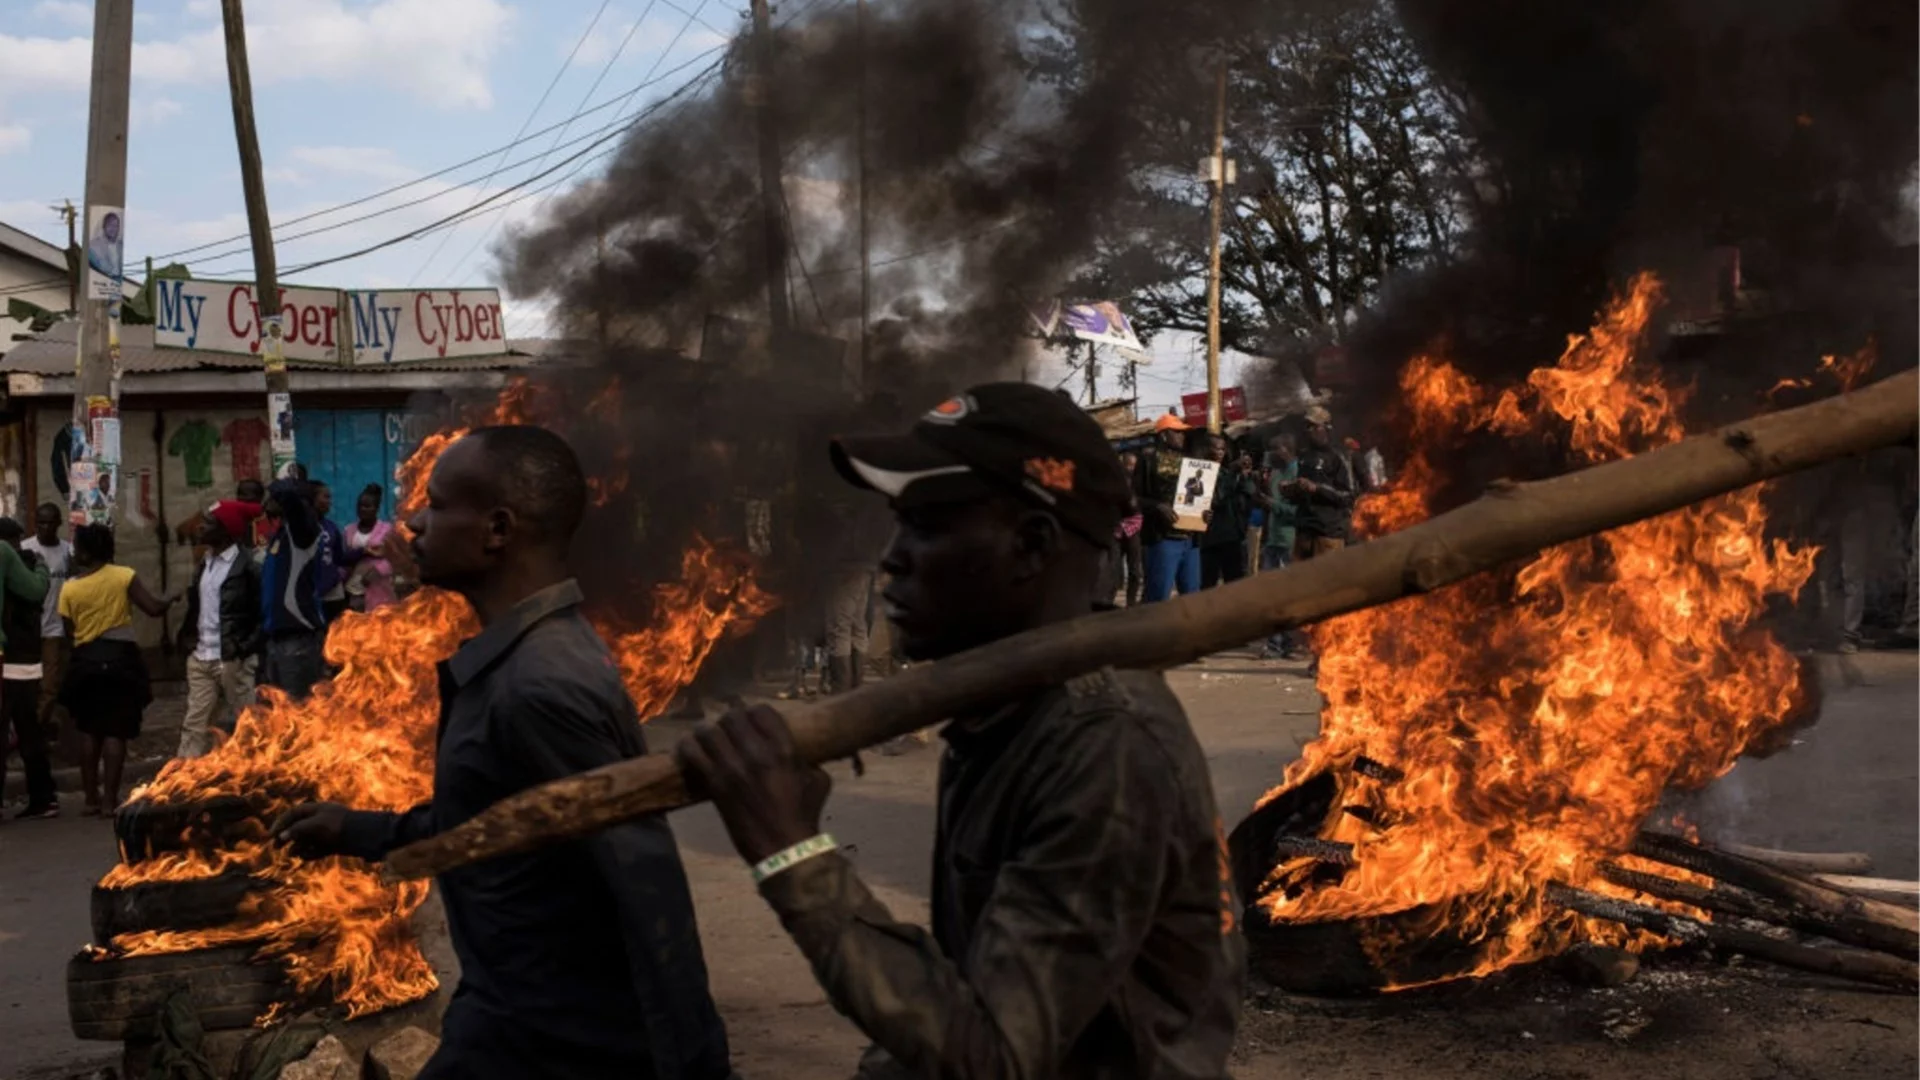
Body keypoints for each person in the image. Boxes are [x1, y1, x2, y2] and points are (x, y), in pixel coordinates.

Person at [678, 383, 1244, 1079]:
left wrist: (790, 855)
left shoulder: (1103, 742)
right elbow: (969, 984)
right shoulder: (1007, 708)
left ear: (1032, 545)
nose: (894, 559)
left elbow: (996, 1056)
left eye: (926, 524)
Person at [273, 425, 732, 1080]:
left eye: (435, 505)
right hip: (504, 1026)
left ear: (496, 530)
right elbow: (494, 822)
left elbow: (649, 892)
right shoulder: (528, 660)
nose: (415, 524)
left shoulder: (539, 687)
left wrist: (699, 1069)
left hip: (553, 1044)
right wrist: (354, 829)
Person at [60, 524, 171, 815]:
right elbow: (153, 608)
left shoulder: (70, 588)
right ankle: (110, 800)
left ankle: (90, 799)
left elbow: (68, 631)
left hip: (85, 662)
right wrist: (171, 598)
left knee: (89, 730)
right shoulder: (124, 576)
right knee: (115, 732)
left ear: (83, 551)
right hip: (122, 662)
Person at [176, 502, 264, 759]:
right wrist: (188, 639)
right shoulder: (205, 561)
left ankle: (255, 777)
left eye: (209, 523)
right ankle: (184, 780)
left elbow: (263, 614)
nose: (201, 527)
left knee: (247, 725)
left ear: (225, 531)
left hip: (232, 658)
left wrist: (243, 649)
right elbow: (198, 608)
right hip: (202, 656)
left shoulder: (249, 566)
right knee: (195, 725)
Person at [0, 519, 55, 819]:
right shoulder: (16, 559)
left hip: (14, 657)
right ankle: (44, 797)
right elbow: (36, 591)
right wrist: (42, 569)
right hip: (18, 658)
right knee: (28, 727)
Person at [260, 469, 328, 699]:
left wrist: (286, 484)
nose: (267, 504)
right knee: (278, 715)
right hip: (276, 640)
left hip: (298, 641)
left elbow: (286, 493)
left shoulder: (303, 532)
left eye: (272, 500)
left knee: (298, 713)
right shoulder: (281, 535)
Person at [20, 503, 72, 764]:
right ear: (35, 524)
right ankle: (28, 735)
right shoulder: (26, 549)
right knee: (28, 686)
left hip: (54, 628)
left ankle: (33, 733)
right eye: (41, 522)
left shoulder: (67, 551)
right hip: (29, 630)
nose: (46, 527)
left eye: (51, 522)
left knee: (49, 687)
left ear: (58, 523)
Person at [1134, 412, 1205, 601]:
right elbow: (1134, 498)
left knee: (1192, 597)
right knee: (1158, 597)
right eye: (1177, 432)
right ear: (1164, 434)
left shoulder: (1191, 461)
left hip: (1190, 540)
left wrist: (1205, 512)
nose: (1182, 436)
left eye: (1183, 433)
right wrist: (1157, 506)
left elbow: (1200, 496)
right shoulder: (1148, 459)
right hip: (1163, 539)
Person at [1289, 406, 1354, 562]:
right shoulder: (1304, 456)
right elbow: (1302, 491)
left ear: (1326, 428)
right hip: (1304, 532)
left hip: (1327, 534)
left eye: (1313, 426)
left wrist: (1317, 488)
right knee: (1299, 583)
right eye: (1307, 426)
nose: (1308, 430)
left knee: (1327, 584)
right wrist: (1291, 489)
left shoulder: (1337, 457)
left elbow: (1348, 495)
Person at [1199, 435, 1257, 588]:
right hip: (1210, 538)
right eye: (1216, 448)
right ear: (1206, 450)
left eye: (1223, 449)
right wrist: (1233, 472)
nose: (1220, 452)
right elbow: (1216, 498)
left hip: (1232, 536)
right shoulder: (1200, 472)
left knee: (1234, 585)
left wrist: (1245, 475)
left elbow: (1250, 493)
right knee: (1208, 586)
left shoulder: (1227, 472)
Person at [342, 484, 398, 613]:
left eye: (367, 506)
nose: (363, 510)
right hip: (353, 590)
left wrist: (378, 570)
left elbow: (395, 558)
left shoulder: (386, 530)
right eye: (360, 506)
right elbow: (344, 557)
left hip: (378, 588)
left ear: (376, 508)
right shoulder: (348, 530)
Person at [313, 481, 349, 624]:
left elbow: (340, 557)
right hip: (312, 593)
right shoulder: (303, 529)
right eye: (325, 497)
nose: (330, 502)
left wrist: (363, 551)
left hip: (333, 591)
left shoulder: (331, 527)